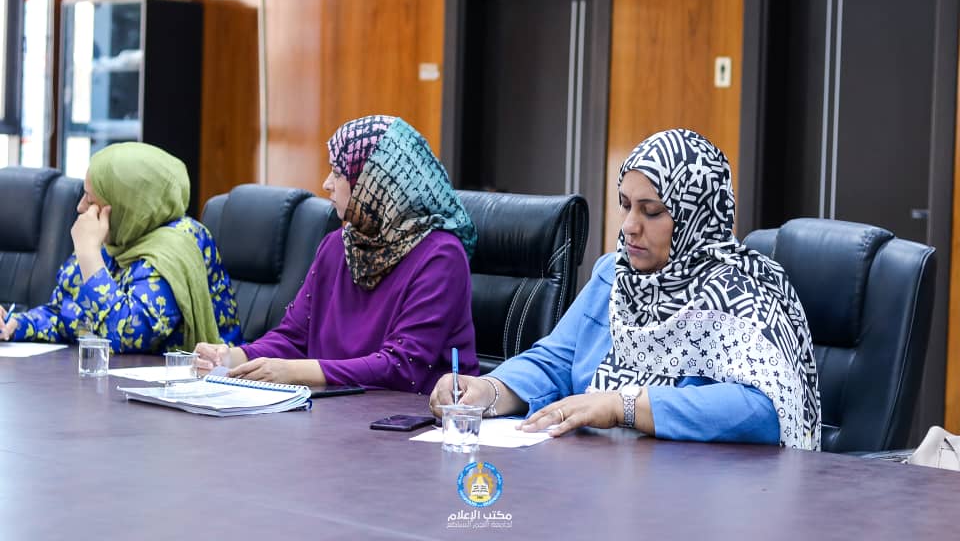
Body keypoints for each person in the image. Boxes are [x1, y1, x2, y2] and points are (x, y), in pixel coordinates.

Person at [430, 128, 821, 449]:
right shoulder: (615, 275)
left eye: (651, 211)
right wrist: (489, 391)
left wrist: (624, 406)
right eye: (625, 205)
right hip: (599, 474)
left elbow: (763, 409)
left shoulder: (740, 292)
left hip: (696, 491)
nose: (630, 226)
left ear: (696, 216)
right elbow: (556, 361)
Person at [194, 115, 480, 392]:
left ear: (374, 184)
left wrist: (294, 372)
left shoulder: (441, 256)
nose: (327, 183)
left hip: (415, 417)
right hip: (336, 410)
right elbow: (294, 337)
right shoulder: (338, 245)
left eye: (338, 172)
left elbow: (402, 366)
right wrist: (231, 358)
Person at [0, 143, 241, 353]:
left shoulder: (179, 245)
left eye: (90, 199)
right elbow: (63, 315)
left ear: (126, 203)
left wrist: (89, 255)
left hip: (187, 385)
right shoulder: (117, 237)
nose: (80, 207)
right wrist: (15, 325)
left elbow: (127, 335)